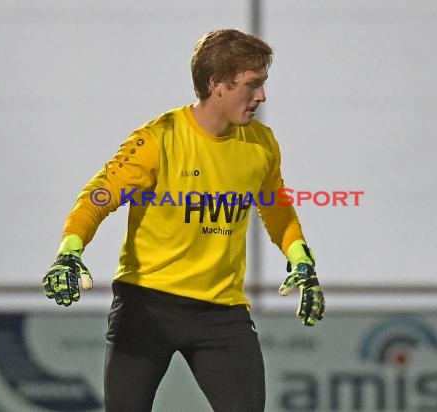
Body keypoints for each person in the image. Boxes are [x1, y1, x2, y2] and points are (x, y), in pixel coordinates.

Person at [43, 28, 325, 412]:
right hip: (146, 306)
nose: (261, 96)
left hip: (221, 313)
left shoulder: (261, 143)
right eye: (252, 85)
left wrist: (301, 259)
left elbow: (275, 207)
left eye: (263, 84)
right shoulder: (158, 139)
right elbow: (97, 197)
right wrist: (69, 252)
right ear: (217, 85)